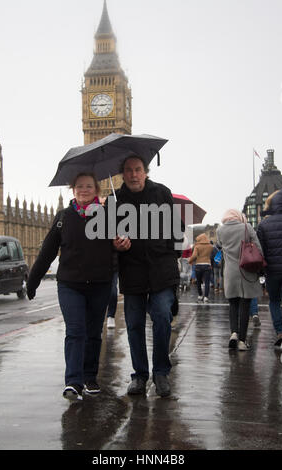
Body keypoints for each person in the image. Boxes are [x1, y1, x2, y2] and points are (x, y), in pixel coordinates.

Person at [27, 173, 113, 401]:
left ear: (97, 190)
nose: (83, 190)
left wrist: (121, 243)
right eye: (79, 186)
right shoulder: (63, 217)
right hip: (70, 284)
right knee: (75, 331)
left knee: (94, 334)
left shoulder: (108, 216)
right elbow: (47, 251)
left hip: (99, 284)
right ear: (72, 190)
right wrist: (33, 280)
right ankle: (73, 381)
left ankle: (89, 377)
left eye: (88, 186)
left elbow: (120, 249)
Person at [112, 155, 182, 398]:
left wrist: (168, 252)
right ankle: (139, 376)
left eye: (138, 170)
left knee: (162, 316)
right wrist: (117, 244)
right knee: (133, 324)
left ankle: (161, 372)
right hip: (132, 272)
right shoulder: (114, 200)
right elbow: (106, 238)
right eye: (129, 170)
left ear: (146, 171)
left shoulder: (162, 193)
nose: (133, 174)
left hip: (161, 270)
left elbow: (178, 229)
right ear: (122, 174)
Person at [216, 209, 263, 351]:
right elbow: (259, 249)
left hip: (230, 273)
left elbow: (219, 246)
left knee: (233, 305)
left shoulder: (220, 230)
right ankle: (242, 341)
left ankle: (233, 333)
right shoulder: (246, 227)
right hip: (246, 272)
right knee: (245, 306)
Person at [257, 189, 282, 349]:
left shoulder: (264, 224)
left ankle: (279, 333)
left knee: (274, 301)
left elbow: (260, 250)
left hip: (273, 270)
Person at [189, 233, 214, 303]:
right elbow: (214, 254)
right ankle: (206, 296)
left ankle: (200, 295)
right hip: (207, 265)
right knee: (207, 282)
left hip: (198, 265)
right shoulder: (210, 246)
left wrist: (190, 261)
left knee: (199, 282)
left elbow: (194, 256)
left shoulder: (197, 246)